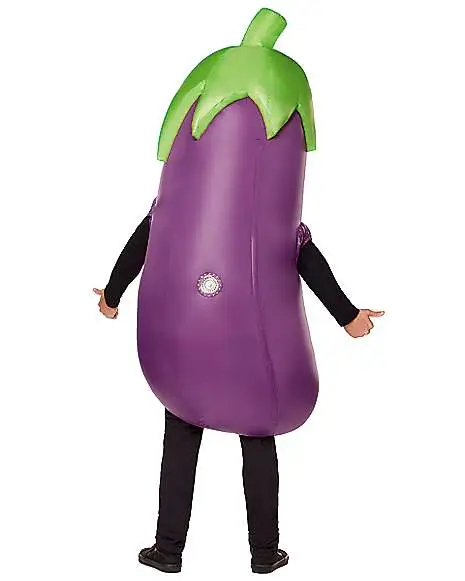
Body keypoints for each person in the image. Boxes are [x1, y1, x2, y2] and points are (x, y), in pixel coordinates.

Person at [93, 211, 384, 574]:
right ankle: (264, 552)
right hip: (249, 347)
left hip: (189, 340)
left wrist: (112, 296)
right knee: (258, 433)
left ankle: (168, 549)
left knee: (181, 435)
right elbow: (306, 257)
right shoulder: (271, 214)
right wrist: (348, 317)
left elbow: (140, 243)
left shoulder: (174, 206)